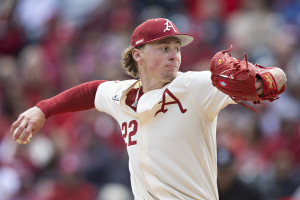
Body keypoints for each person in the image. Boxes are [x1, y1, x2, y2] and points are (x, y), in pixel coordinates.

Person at [11, 18, 287, 200]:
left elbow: (277, 78)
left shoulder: (196, 86)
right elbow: (92, 90)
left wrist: (266, 80)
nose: (174, 55)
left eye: (176, 48)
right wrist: (43, 109)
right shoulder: (121, 95)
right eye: (164, 47)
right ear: (137, 54)